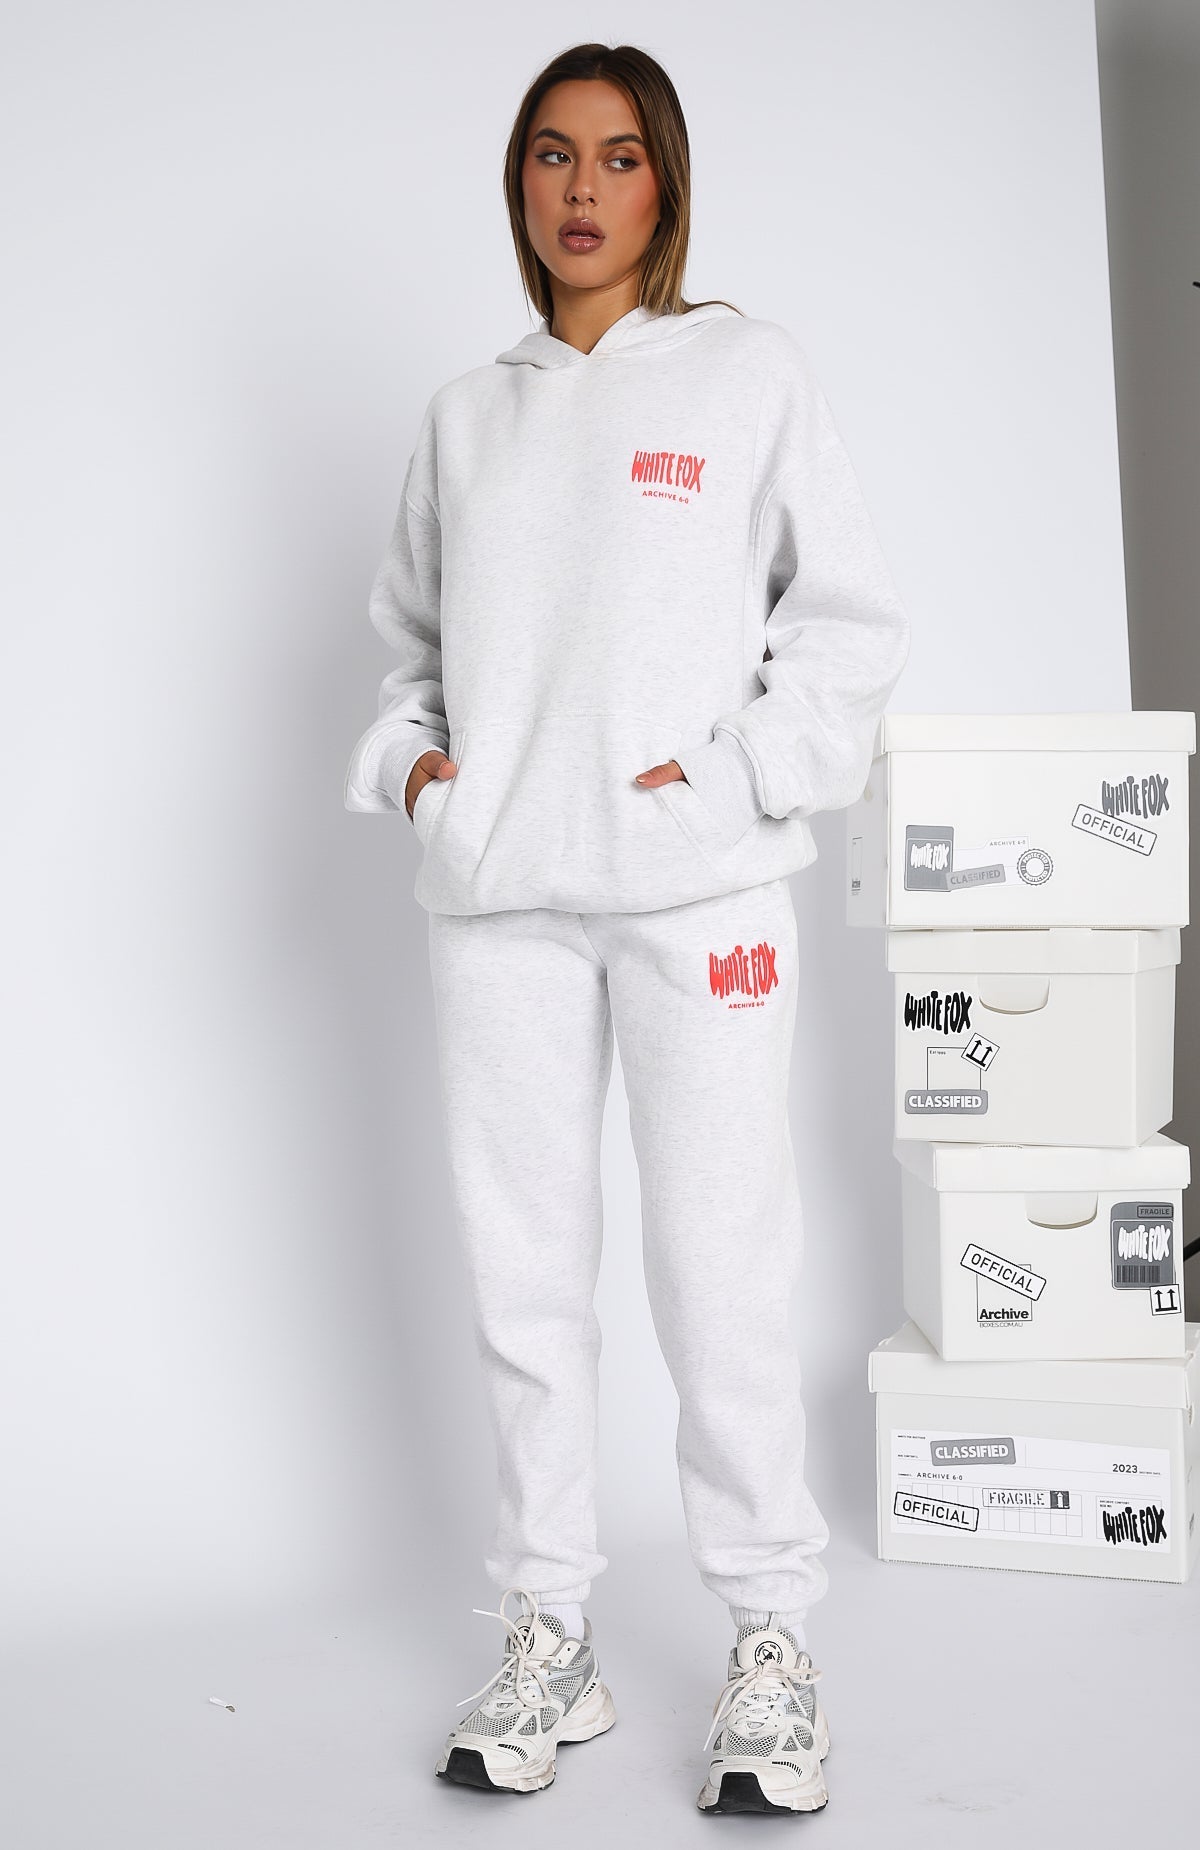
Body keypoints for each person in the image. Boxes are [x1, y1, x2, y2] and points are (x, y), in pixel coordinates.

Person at [344, 40, 909, 1815]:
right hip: (501, 905)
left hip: (700, 897)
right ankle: (551, 1631)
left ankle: (770, 1638)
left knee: (720, 1269)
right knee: (526, 1280)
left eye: (616, 156)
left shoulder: (747, 374)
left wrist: (735, 782)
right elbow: (408, 653)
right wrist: (425, 778)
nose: (581, 190)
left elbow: (849, 627)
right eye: (548, 155)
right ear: (517, 186)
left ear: (666, 182)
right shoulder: (468, 414)